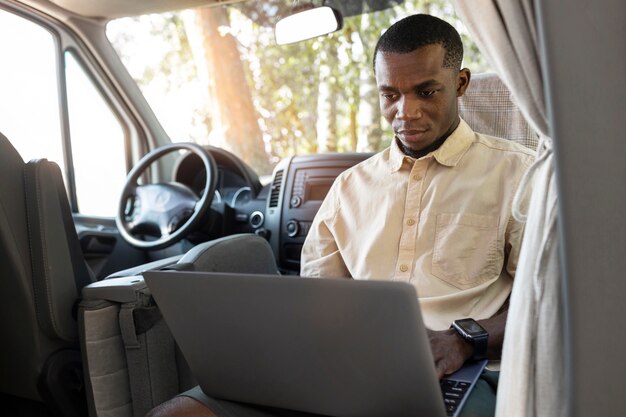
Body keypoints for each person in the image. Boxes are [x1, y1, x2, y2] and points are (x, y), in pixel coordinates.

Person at [147, 13, 534, 417]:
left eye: (426, 91)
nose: (406, 112)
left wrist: (461, 338)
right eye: (390, 95)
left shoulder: (518, 175)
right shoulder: (349, 188)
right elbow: (316, 304)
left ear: (460, 83)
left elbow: (544, 304)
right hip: (348, 368)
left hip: (462, 373)